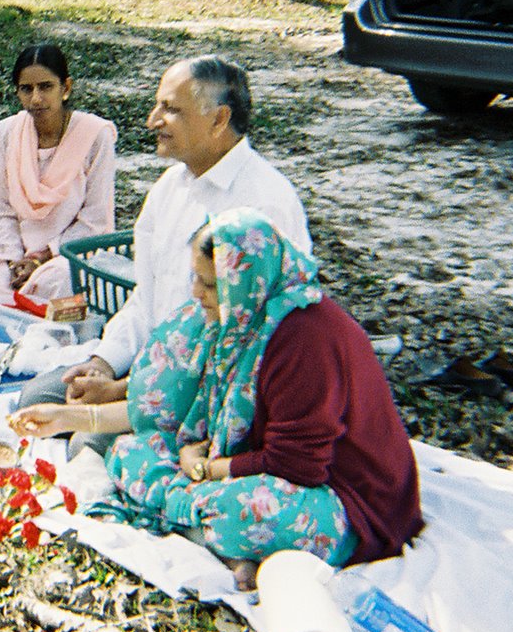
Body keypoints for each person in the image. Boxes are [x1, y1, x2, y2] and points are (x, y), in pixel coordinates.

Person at [11, 209, 423, 589]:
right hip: (246, 464)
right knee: (126, 451)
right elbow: (162, 409)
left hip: (345, 499)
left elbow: (298, 466)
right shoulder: (234, 319)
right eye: (196, 277)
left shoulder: (305, 339)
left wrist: (206, 468)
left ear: (244, 280)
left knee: (247, 511)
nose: (197, 292)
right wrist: (67, 417)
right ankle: (222, 542)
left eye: (210, 284)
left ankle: (216, 537)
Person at [19, 55, 310, 454]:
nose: (152, 119)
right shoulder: (171, 186)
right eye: (158, 105)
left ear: (219, 119)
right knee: (37, 401)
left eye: (170, 109)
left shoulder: (264, 207)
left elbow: (246, 347)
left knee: (88, 444)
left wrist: (125, 390)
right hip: (150, 367)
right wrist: (105, 361)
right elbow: (146, 296)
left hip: (212, 393)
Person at [0, 44, 116, 302]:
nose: (35, 99)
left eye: (45, 87)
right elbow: (0, 208)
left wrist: (42, 257)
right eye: (26, 89)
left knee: (52, 286)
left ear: (65, 88)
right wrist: (15, 260)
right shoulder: (5, 133)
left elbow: (96, 220)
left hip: (71, 256)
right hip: (16, 257)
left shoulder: (95, 135)